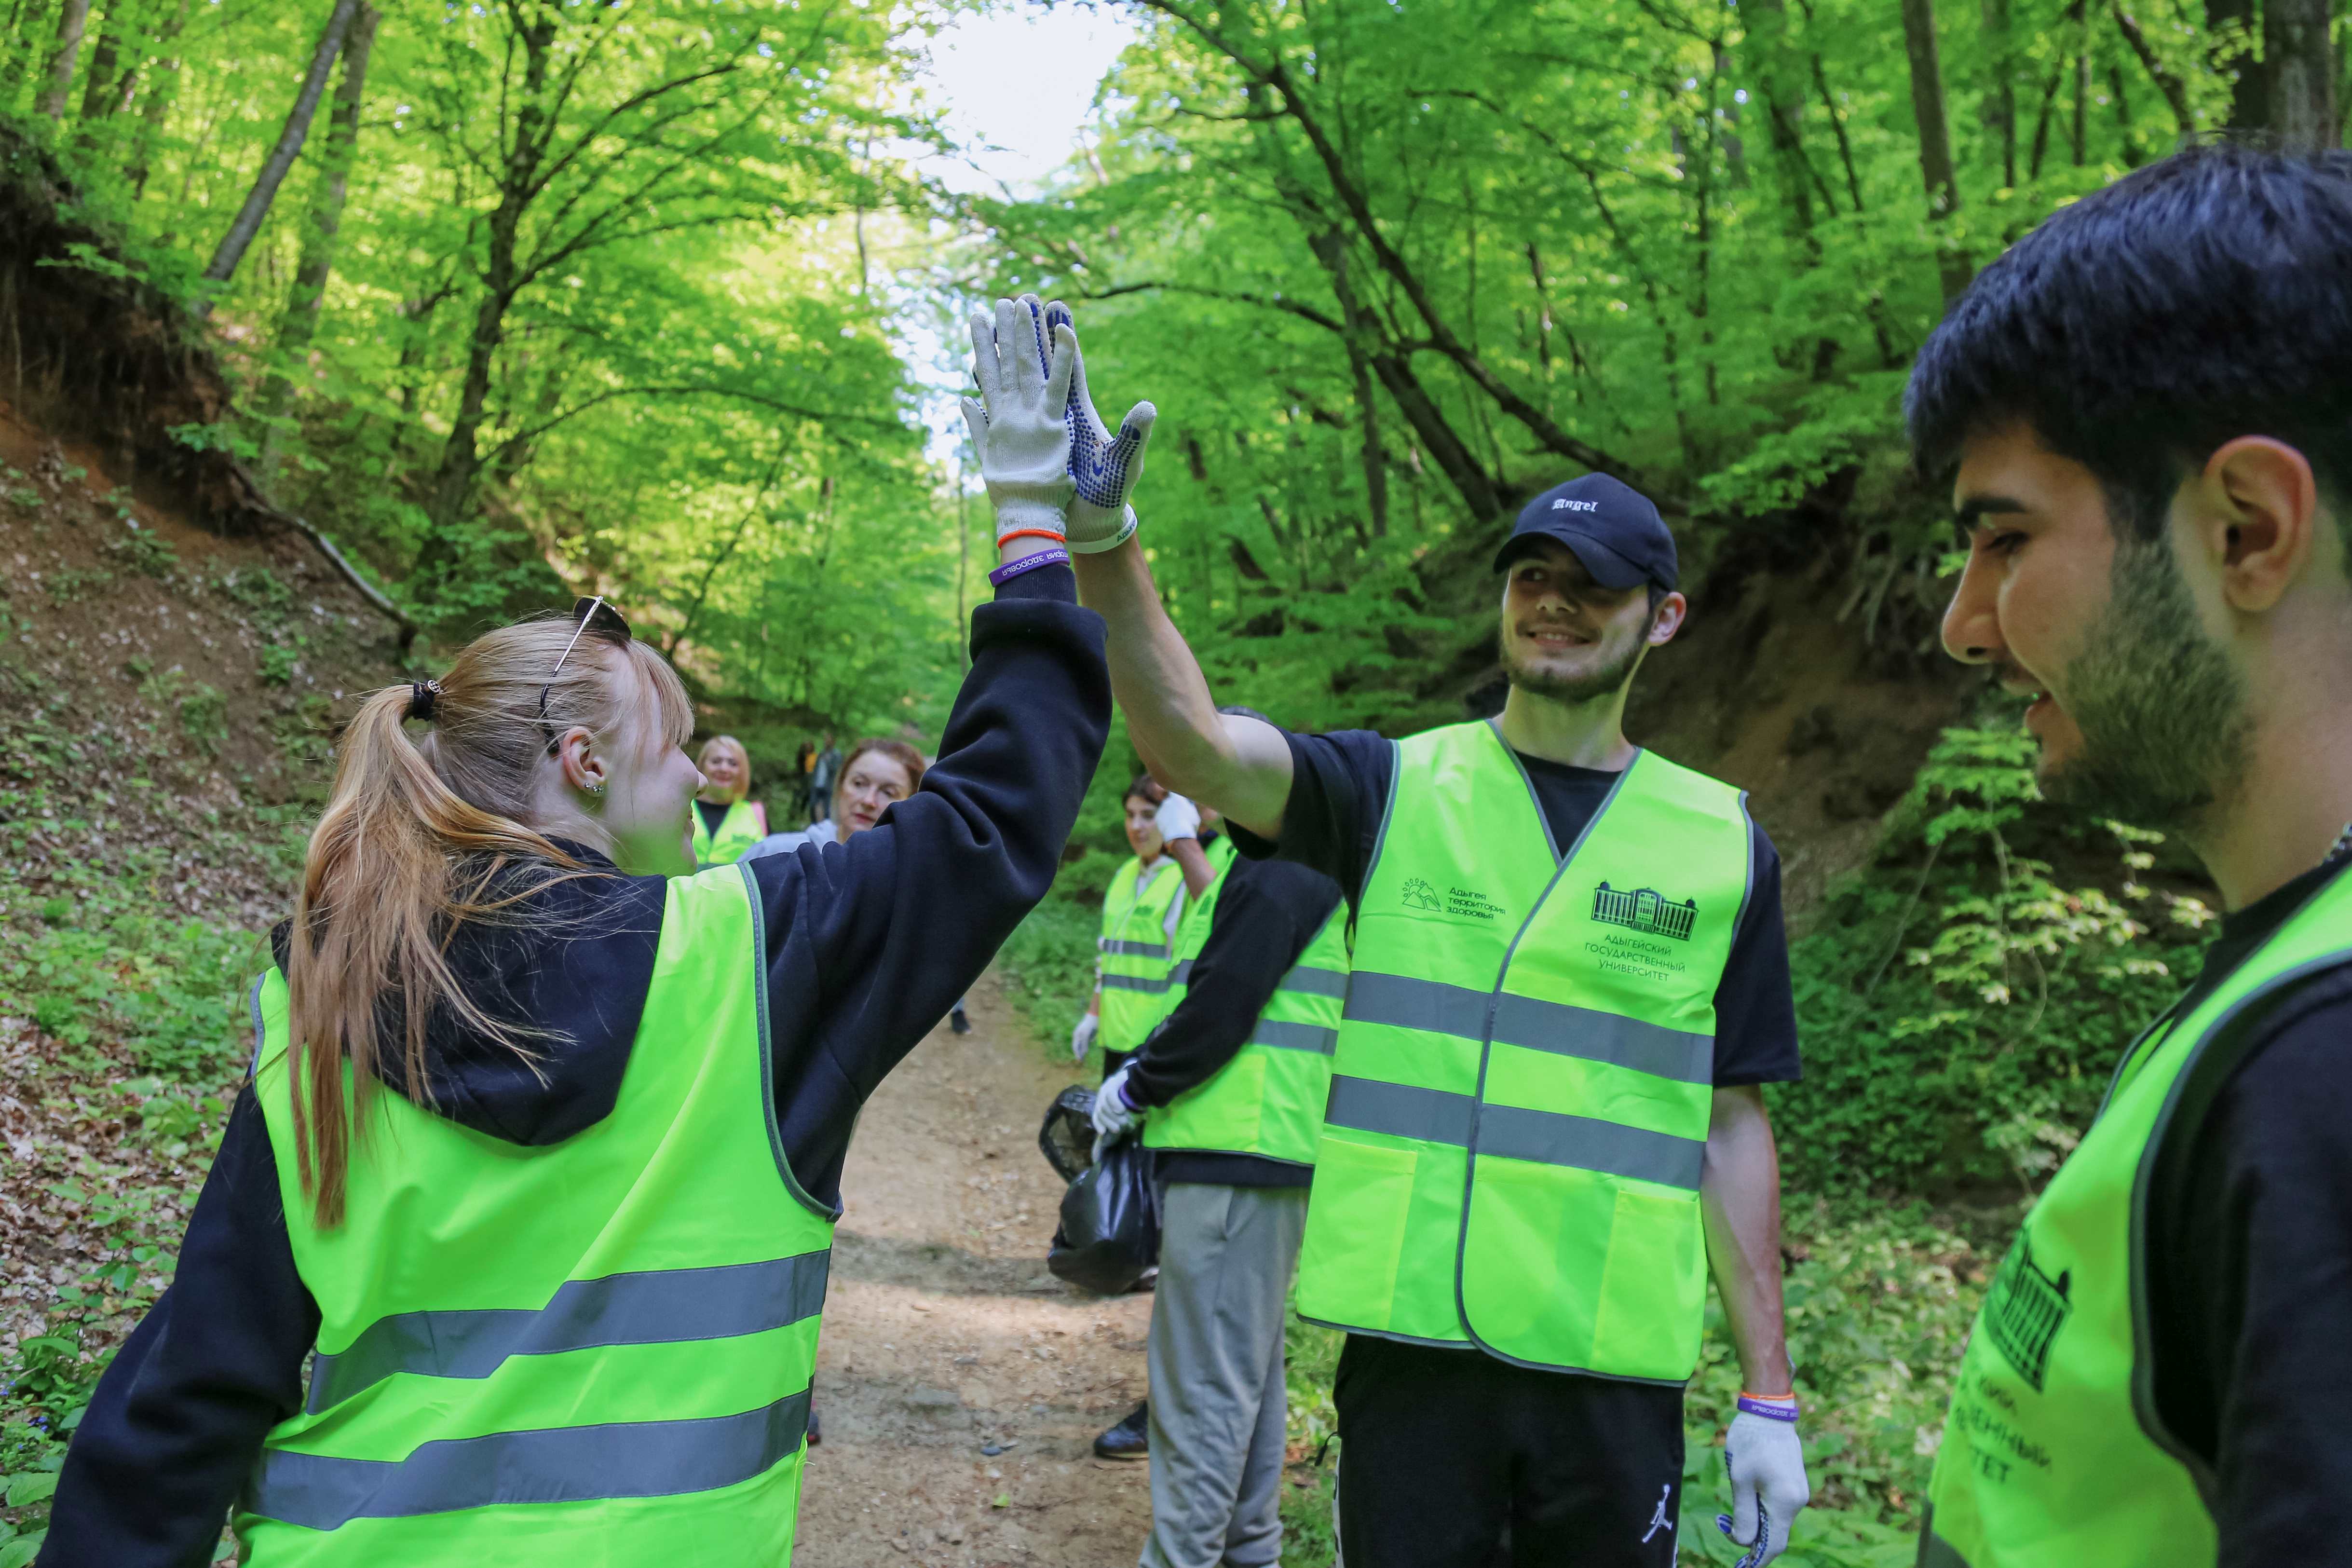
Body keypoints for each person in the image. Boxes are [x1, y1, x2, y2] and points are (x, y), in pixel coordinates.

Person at [37, 293, 1114, 1567]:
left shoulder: (323, 993)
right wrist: (1037, 525)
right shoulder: (744, 963)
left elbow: (184, 1404)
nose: (698, 775)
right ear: (586, 759)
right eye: (673, 746)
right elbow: (995, 813)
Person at [1055, 297, 1808, 1568]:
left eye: (1592, 588)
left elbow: (1729, 1120)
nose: (1553, 605)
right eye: (1531, 579)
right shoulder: (1387, 787)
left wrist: (1767, 1387)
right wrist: (1103, 543)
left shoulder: (1718, 842)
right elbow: (1187, 742)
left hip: (1608, 1373)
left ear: (1662, 618)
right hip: (1411, 1367)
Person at [1903, 145, 2352, 1568]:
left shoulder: (2322, 1072)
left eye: (2002, 537)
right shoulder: (2274, 988)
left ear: (2243, 530)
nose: (1960, 625)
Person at [1088, 723, 1349, 1568]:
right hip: (1251, 1149)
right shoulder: (1263, 863)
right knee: (1245, 1376)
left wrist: (1135, 1085)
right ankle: (1246, 1550)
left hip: (1240, 1151)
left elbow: (1219, 1007)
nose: (1180, 794)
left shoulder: (1278, 867)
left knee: (1201, 1389)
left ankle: (1186, 1558)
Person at [746, 738, 972, 1038]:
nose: (868, 800)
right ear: (841, 787)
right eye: (859, 783)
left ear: (911, 805)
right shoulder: (774, 853)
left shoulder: (911, 890)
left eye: (888, 792)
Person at [690, 733, 768, 866]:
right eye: (716, 761)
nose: (724, 769)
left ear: (743, 771)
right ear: (702, 766)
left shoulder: (755, 813)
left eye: (733, 764)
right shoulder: (681, 806)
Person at [808, 734, 842, 826]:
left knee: (827, 808)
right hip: (817, 784)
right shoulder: (822, 753)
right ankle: (814, 825)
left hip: (829, 785)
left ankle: (827, 827)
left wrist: (828, 762)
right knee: (813, 804)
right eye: (825, 740)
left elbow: (837, 770)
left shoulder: (837, 755)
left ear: (833, 742)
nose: (826, 742)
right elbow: (816, 769)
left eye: (828, 740)